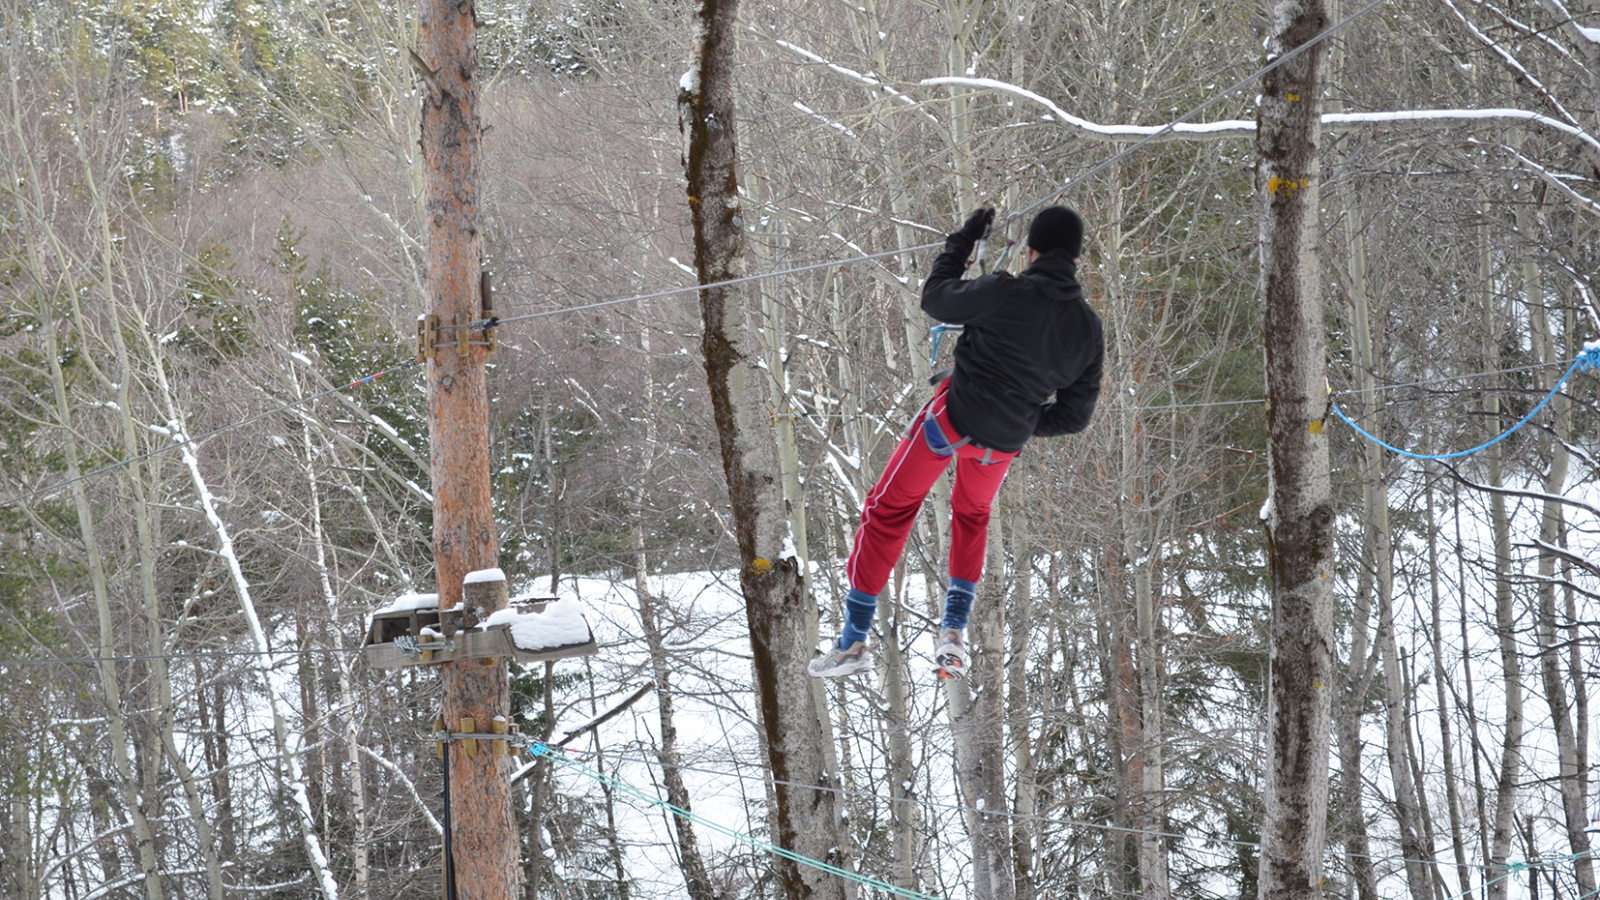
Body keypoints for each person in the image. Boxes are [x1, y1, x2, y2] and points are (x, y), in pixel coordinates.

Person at [809, 205, 1104, 679]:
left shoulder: (1008, 292)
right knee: (972, 514)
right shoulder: (1088, 329)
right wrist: (1023, 417)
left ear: (1030, 251)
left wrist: (962, 242)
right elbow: (1073, 416)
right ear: (1075, 259)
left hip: (951, 423)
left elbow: (936, 299)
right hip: (1002, 445)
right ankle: (953, 632)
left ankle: (853, 641)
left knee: (888, 511)